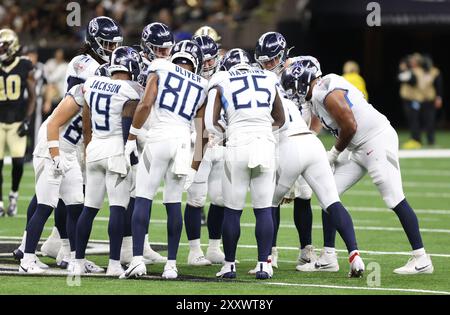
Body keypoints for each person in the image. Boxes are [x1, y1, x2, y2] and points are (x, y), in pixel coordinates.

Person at [283, 64, 434, 275]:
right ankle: (328, 256)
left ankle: (421, 258)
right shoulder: (321, 90)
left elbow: (350, 125)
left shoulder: (323, 93)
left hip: (375, 141)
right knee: (329, 193)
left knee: (394, 197)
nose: (293, 92)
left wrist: (334, 153)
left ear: (303, 82)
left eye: (293, 86)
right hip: (357, 145)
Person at [16, 16, 122, 273]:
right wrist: (54, 154)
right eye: (107, 45)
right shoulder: (83, 76)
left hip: (71, 143)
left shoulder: (94, 91)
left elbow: (87, 124)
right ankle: (26, 254)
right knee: (46, 201)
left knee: (76, 202)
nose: (111, 51)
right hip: (55, 141)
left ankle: (75, 255)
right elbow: (55, 122)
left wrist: (87, 150)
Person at [120, 40, 208, 280]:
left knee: (143, 197)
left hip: (159, 137)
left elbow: (146, 103)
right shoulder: (202, 84)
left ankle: (137, 260)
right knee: (173, 202)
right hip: (182, 142)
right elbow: (202, 132)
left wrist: (131, 137)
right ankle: (171, 265)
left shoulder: (160, 66)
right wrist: (194, 166)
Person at [206, 48, 285, 280]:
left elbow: (211, 124)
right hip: (264, 144)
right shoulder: (269, 77)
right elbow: (282, 120)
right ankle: (264, 264)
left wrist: (230, 134)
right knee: (263, 210)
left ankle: (229, 265)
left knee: (232, 210)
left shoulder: (221, 79)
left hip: (238, 145)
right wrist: (260, 131)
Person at [73, 46, 142, 276]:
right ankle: (113, 263)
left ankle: (77, 260)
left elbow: (86, 117)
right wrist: (129, 152)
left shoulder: (91, 83)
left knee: (89, 208)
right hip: (114, 149)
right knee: (117, 208)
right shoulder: (130, 89)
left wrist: (88, 144)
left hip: (95, 148)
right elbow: (127, 122)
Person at [254, 31, 319, 269]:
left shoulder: (303, 66)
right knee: (273, 197)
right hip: (275, 138)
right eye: (264, 61)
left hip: (299, 136)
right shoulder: (260, 75)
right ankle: (271, 253)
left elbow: (314, 103)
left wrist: (312, 133)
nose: (268, 65)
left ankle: (306, 249)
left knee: (304, 195)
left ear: (282, 54)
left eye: (272, 60)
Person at [119, 22, 175, 267]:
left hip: (150, 132)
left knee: (144, 192)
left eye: (166, 49)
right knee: (129, 192)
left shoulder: (162, 66)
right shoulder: (133, 60)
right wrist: (130, 136)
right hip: (129, 128)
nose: (163, 54)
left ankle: (140, 244)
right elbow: (128, 104)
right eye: (158, 49)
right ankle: (125, 246)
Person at [183, 34, 225, 266]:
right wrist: (194, 136)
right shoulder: (191, 81)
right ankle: (194, 251)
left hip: (219, 143)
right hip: (197, 143)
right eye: (205, 61)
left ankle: (214, 248)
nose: (208, 65)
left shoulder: (222, 77)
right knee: (196, 198)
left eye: (212, 60)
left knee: (220, 198)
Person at [0, 28, 36, 217]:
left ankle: (13, 195)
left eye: (3, 46)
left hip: (16, 121)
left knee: (18, 162)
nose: (1, 49)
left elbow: (32, 96)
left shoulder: (24, 65)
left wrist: (28, 119)